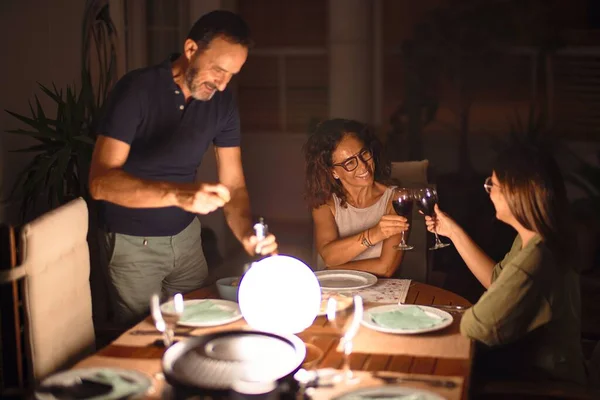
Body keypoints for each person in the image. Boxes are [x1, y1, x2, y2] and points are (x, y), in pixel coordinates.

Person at [89, 10, 277, 326]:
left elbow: (234, 185)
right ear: (191, 50)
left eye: (232, 73)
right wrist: (179, 194)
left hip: (187, 241)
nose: (222, 83)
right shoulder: (137, 90)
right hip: (134, 245)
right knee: (147, 337)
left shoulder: (223, 102)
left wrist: (246, 235)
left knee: (198, 328)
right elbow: (100, 183)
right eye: (218, 69)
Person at [425, 145, 587, 384]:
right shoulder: (538, 237)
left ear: (515, 192)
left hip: (543, 382)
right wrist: (453, 232)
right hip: (550, 367)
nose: (488, 192)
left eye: (492, 185)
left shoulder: (536, 258)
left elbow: (476, 328)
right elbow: (498, 281)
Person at [303, 119, 408, 277]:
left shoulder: (397, 199)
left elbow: (386, 268)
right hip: (335, 291)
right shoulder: (325, 204)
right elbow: (329, 256)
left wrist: (333, 269)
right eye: (350, 163)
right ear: (333, 172)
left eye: (364, 154)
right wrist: (375, 234)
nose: (363, 166)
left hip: (382, 293)